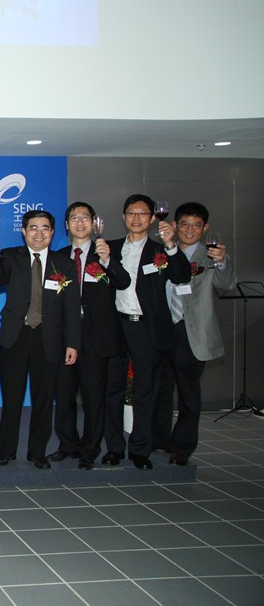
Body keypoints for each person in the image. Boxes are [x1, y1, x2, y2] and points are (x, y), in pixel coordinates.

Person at [0, 209, 80, 469]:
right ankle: (7, 450)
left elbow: (72, 308)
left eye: (45, 228)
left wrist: (73, 343)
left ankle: (37, 452)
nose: (39, 233)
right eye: (34, 228)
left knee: (43, 400)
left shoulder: (64, 264)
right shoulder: (9, 257)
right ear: (24, 231)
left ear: (52, 232)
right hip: (15, 338)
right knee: (12, 399)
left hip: (50, 341)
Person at [105, 194, 191, 470]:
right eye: (131, 213)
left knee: (145, 390)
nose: (137, 218)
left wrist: (171, 245)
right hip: (116, 326)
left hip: (146, 328)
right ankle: (115, 448)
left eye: (143, 214)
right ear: (124, 216)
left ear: (153, 218)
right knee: (113, 389)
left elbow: (181, 276)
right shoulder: (109, 248)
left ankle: (140, 449)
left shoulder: (160, 251)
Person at [155, 201, 237, 466]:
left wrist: (223, 262)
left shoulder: (211, 256)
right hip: (162, 329)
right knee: (161, 389)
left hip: (193, 333)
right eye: (186, 224)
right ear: (176, 225)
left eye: (197, 225)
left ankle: (183, 446)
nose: (190, 230)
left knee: (189, 393)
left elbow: (227, 284)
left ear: (206, 228)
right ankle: (161, 439)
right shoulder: (162, 251)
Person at [51, 202, 131, 470]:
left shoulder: (105, 253)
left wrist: (107, 260)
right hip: (65, 336)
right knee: (63, 394)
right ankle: (67, 444)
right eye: (74, 217)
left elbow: (123, 282)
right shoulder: (58, 257)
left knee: (93, 395)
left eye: (85, 217)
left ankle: (90, 448)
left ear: (94, 223)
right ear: (66, 225)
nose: (80, 222)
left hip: (96, 336)